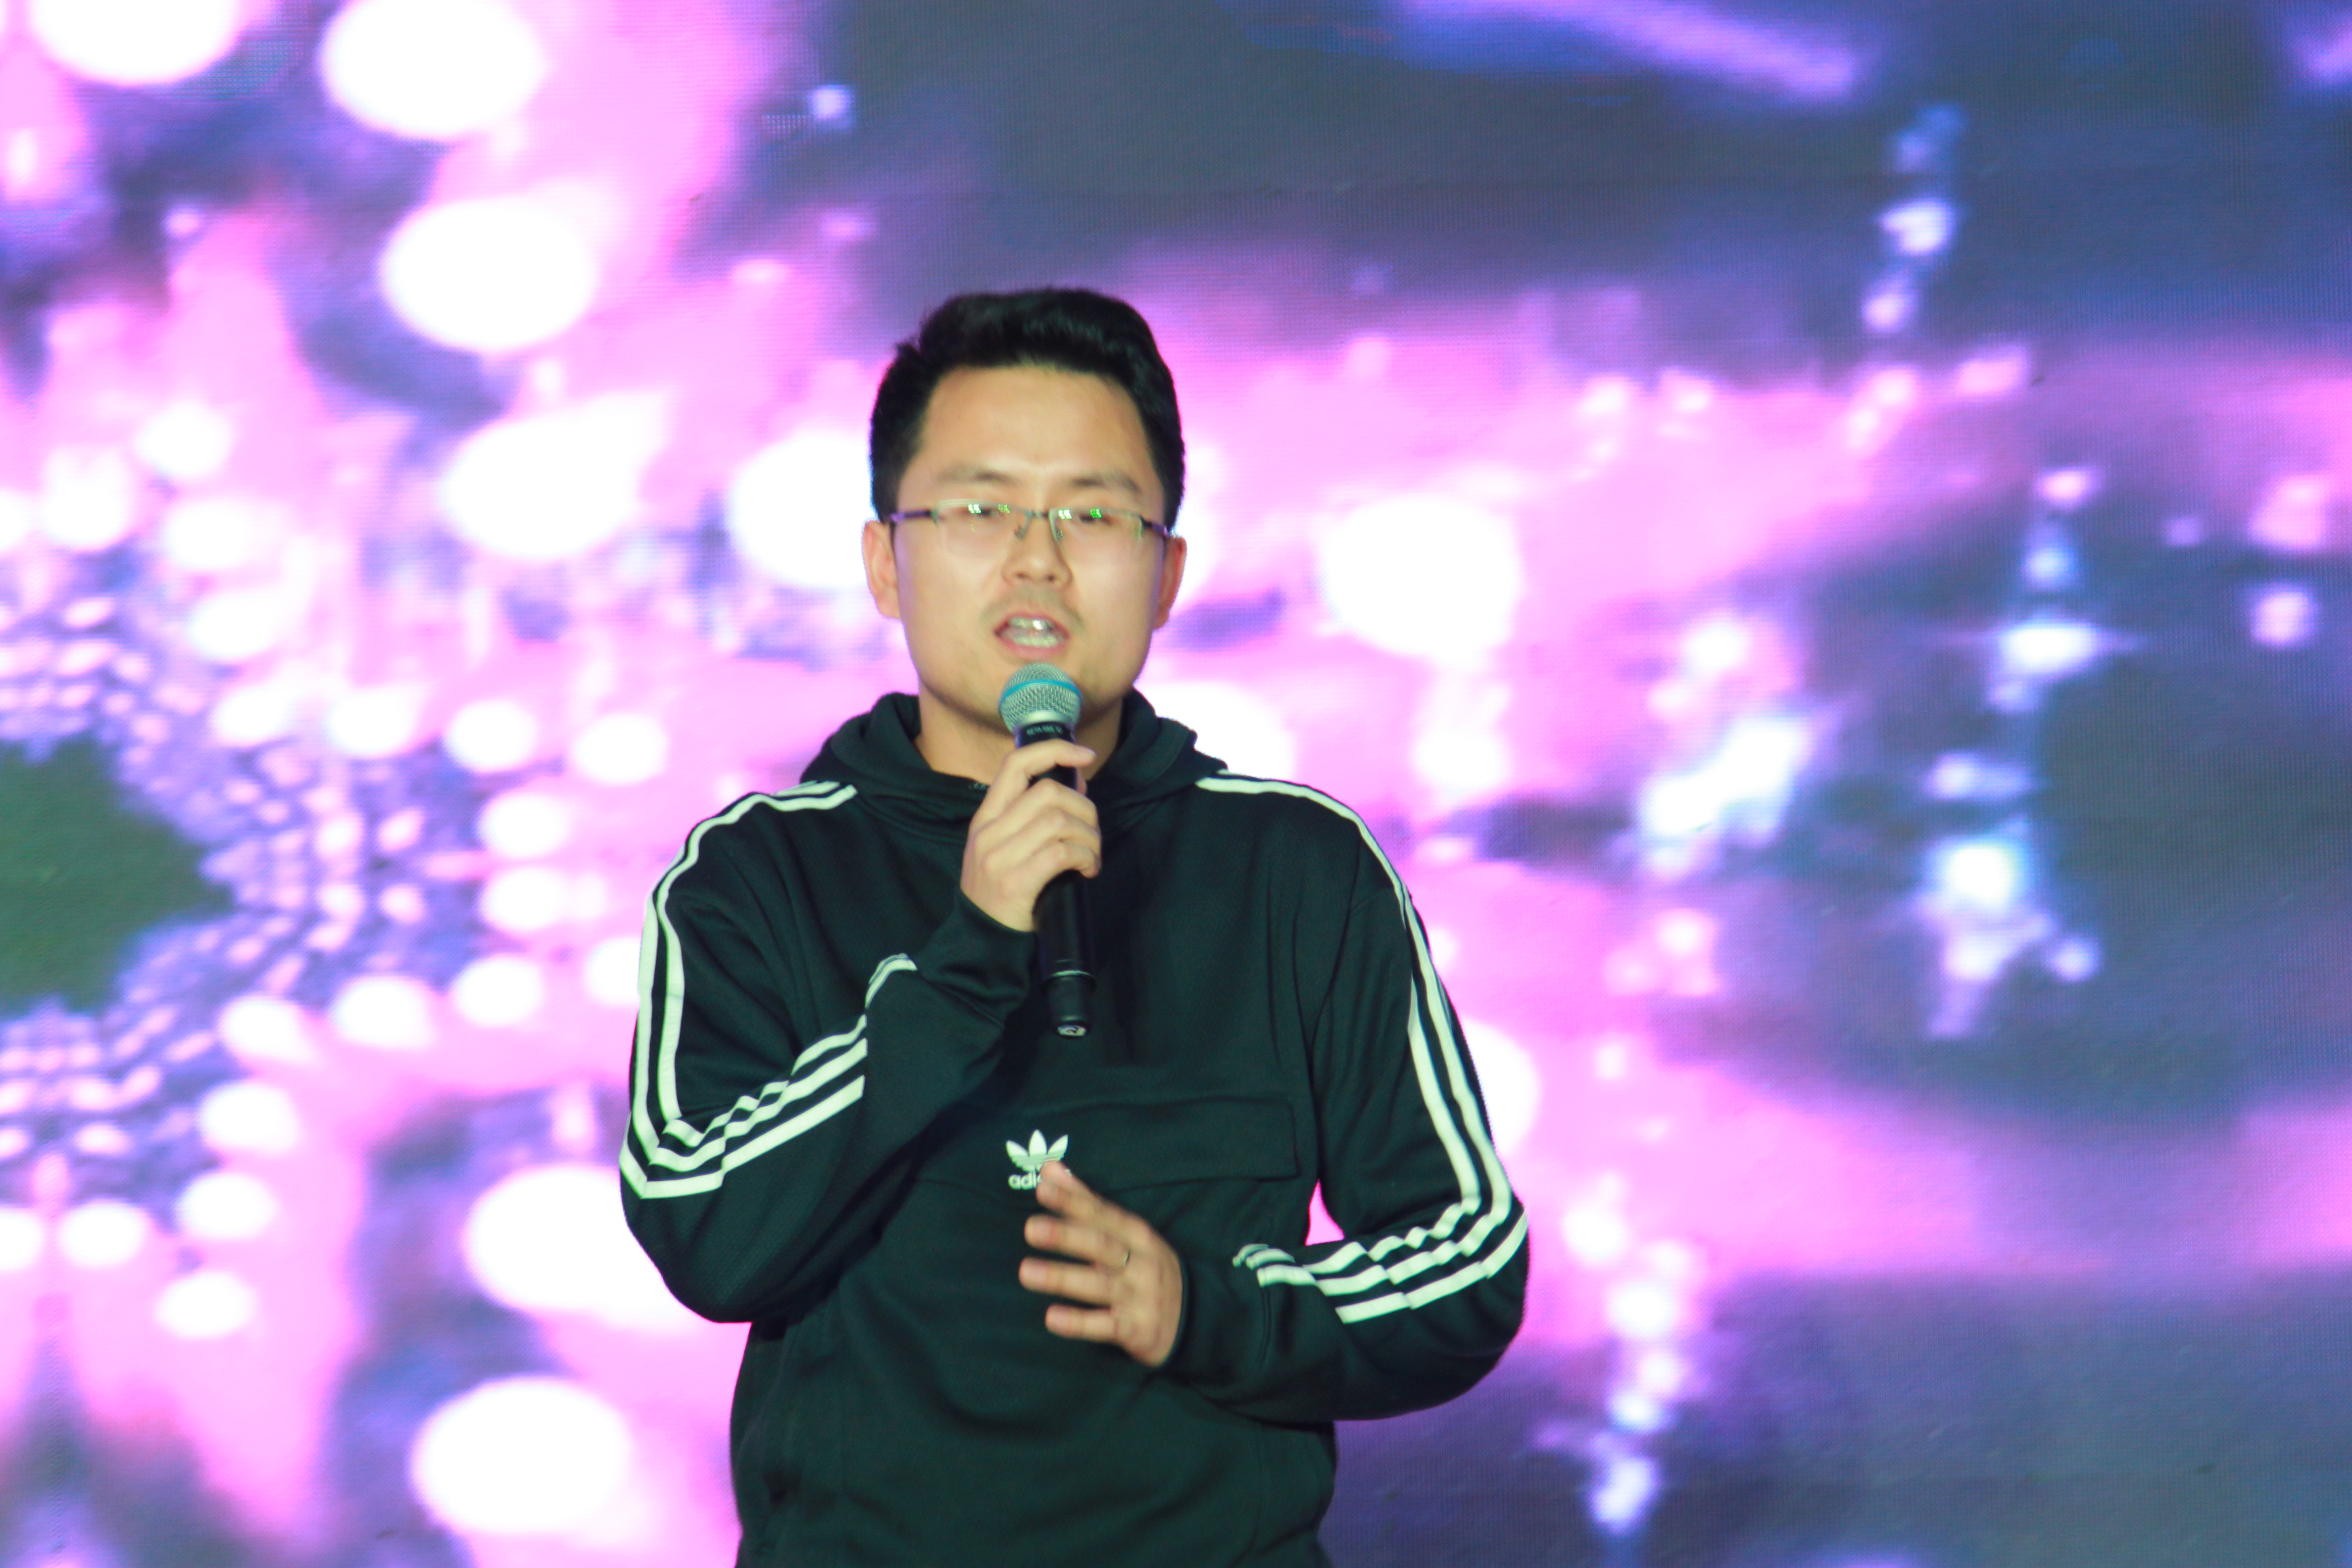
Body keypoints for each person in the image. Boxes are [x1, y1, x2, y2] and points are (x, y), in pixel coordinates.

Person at [621, 288, 1527, 1567]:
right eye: (979, 509)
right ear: (884, 562)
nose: (1036, 560)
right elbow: (705, 1228)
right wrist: (967, 957)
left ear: (1166, 576)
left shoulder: (1300, 871)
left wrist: (1208, 1309)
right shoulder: (756, 877)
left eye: (1094, 515)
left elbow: (1465, 1263)